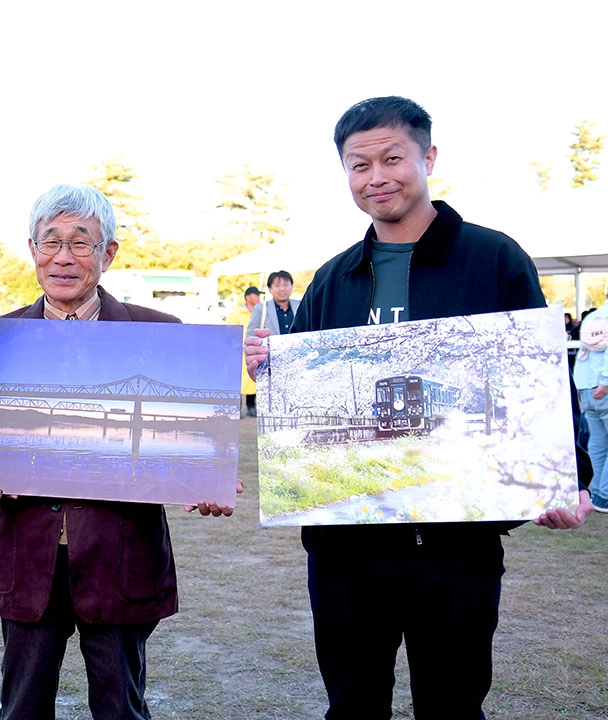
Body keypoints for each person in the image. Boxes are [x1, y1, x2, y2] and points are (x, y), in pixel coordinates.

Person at [244, 96, 592, 719]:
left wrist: (569, 479)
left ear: (428, 157)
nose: (376, 177)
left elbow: (540, 376)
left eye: (392, 158)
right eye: (358, 165)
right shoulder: (332, 277)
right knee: (352, 704)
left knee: (453, 705)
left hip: (457, 540)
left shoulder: (492, 258)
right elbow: (312, 402)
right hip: (346, 545)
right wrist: (270, 372)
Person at [0, 184, 238, 720]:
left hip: (121, 557)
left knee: (121, 709)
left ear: (109, 253)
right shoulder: (1, 339)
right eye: (52, 242)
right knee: (20, 708)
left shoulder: (161, 335)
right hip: (30, 554)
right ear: (33, 249)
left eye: (81, 243)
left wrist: (205, 477)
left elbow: (192, 444)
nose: (63, 257)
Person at [573, 304, 608, 511]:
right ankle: (604, 495)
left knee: (598, 442)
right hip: (602, 386)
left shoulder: (593, 317)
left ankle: (598, 493)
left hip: (586, 385)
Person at [226, 286, 261, 416]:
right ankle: (238, 408)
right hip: (238, 351)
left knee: (253, 380)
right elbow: (230, 331)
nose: (258, 297)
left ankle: (251, 406)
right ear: (248, 297)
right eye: (255, 295)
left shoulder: (261, 311)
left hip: (253, 350)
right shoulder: (237, 313)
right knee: (238, 381)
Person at [245, 270, 298, 336]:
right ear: (270, 289)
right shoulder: (261, 309)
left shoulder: (300, 306)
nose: (282, 289)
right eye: (277, 285)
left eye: (286, 285)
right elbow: (251, 334)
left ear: (292, 286)